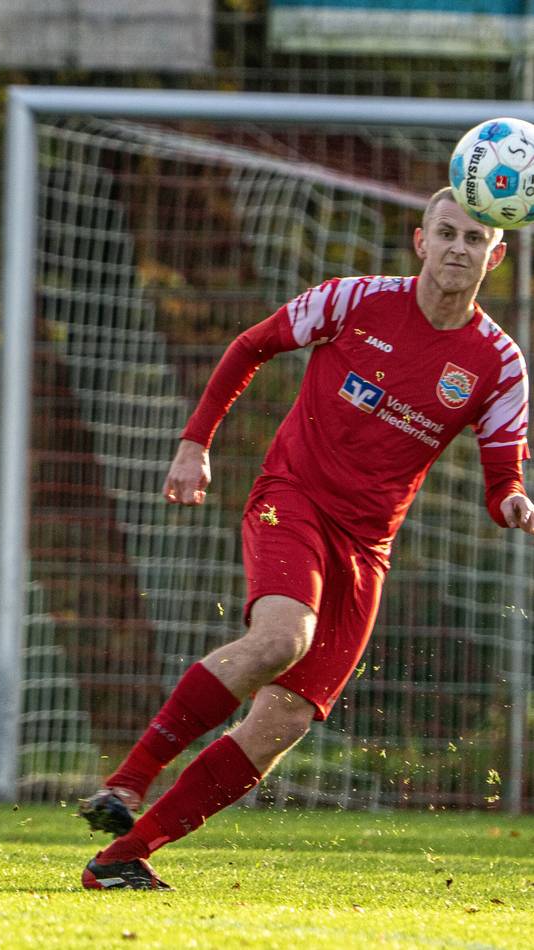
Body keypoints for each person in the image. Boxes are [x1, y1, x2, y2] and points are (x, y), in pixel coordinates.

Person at [77, 187, 534, 890]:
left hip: (367, 546)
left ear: (496, 256)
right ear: (420, 240)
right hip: (292, 499)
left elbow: (501, 476)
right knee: (280, 638)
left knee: (282, 722)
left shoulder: (499, 363)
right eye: (446, 233)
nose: (457, 249)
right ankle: (128, 780)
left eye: (474, 240)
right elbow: (252, 344)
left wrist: (514, 505)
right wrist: (194, 444)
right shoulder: (355, 300)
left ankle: (120, 858)